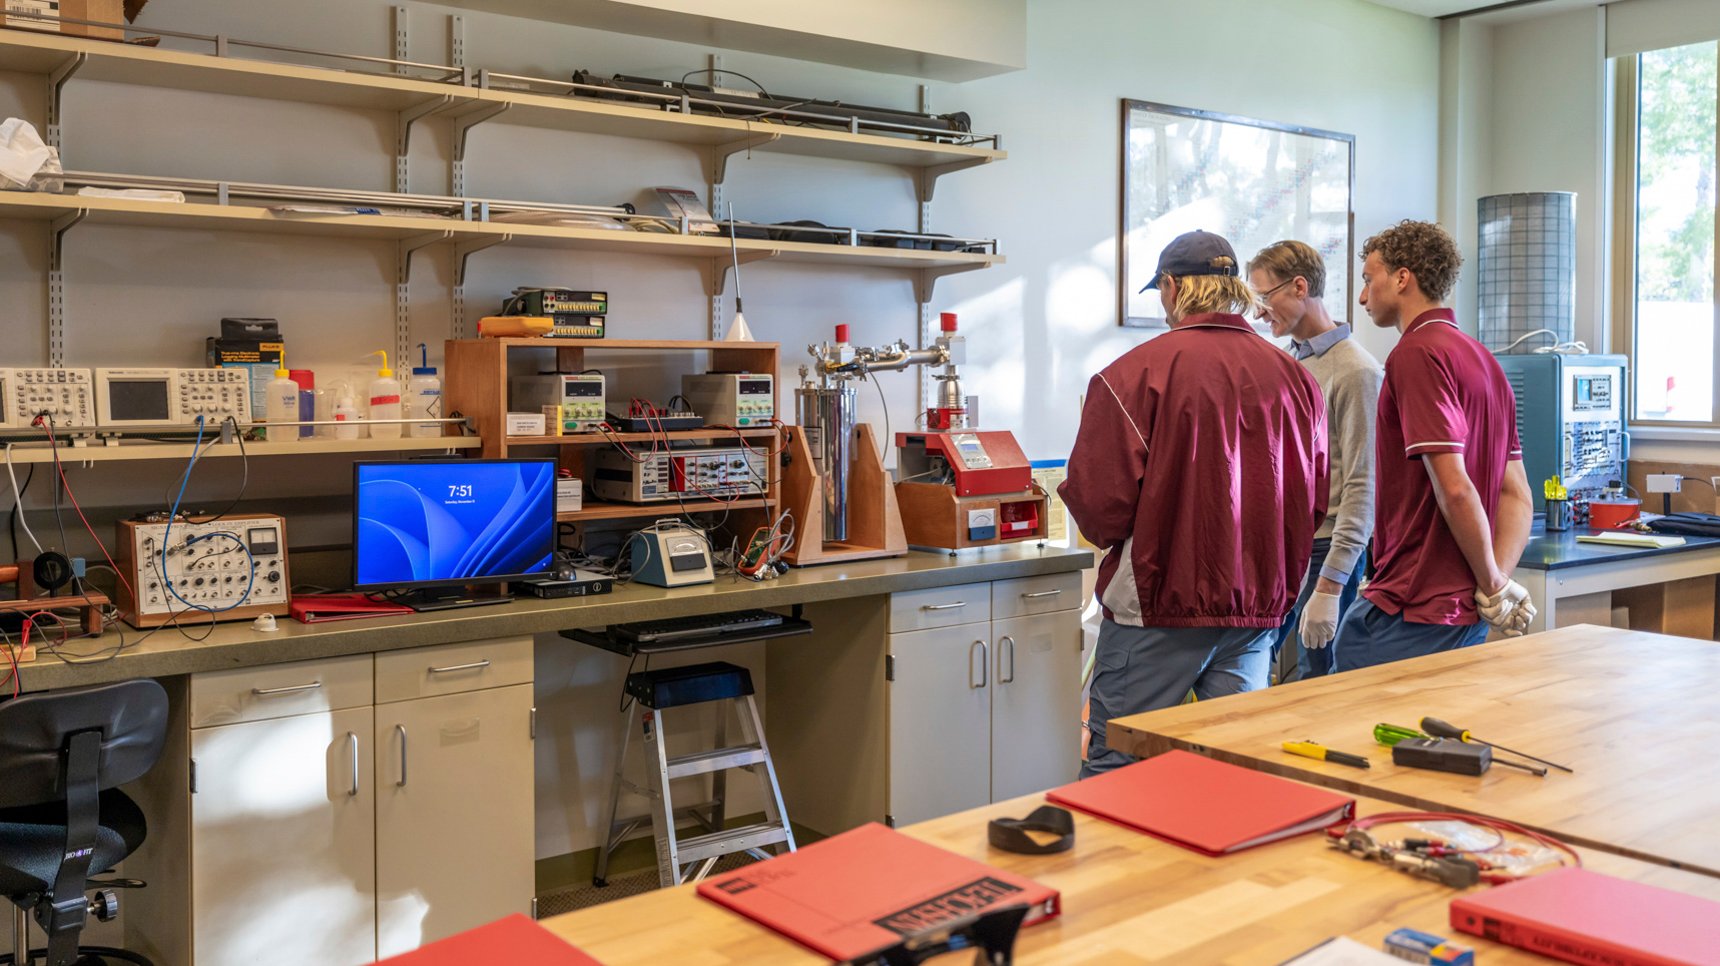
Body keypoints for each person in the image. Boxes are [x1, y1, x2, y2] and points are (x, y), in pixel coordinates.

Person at [1061, 230, 1327, 778]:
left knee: (1121, 768)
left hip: (1159, 608)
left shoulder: (1131, 377)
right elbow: (1314, 499)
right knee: (1237, 771)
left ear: (1175, 287)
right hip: (1256, 610)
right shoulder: (1298, 381)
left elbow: (1098, 508)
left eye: (1160, 290)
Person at [1332, 220, 1536, 672]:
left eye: (1369, 280)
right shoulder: (1486, 362)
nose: (1363, 297)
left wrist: (1492, 580)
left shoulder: (1416, 354)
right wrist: (1492, 587)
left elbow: (1456, 488)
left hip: (1410, 610)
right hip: (1466, 616)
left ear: (1402, 278)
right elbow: (1517, 495)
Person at [1249, 240, 1383, 683]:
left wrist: (1331, 584)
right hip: (1285, 548)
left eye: (1263, 299)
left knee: (1318, 682)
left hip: (1327, 552)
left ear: (1299, 287)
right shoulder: (1288, 363)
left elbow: (1364, 485)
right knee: (1256, 667)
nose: (1259, 313)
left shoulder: (1357, 372)